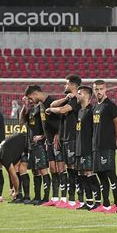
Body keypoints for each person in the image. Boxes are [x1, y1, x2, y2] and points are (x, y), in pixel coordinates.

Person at [46, 75, 81, 209]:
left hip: (73, 138)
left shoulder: (77, 99)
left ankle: (75, 199)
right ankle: (66, 198)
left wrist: (50, 110)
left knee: (73, 170)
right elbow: (53, 104)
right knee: (66, 169)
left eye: (66, 84)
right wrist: (65, 98)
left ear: (73, 85)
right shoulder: (69, 99)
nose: (64, 86)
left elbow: (61, 110)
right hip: (64, 138)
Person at [90, 80, 117, 213]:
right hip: (96, 147)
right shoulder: (95, 107)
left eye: (101, 89)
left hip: (107, 146)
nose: (98, 91)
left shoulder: (110, 106)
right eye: (96, 89)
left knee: (110, 174)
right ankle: (106, 204)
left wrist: (115, 140)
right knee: (101, 175)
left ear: (105, 90)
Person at [24, 85, 52, 205]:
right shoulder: (31, 109)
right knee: (35, 171)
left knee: (43, 170)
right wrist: (25, 106)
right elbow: (22, 121)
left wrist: (43, 137)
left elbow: (48, 125)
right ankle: (37, 197)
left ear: (35, 94)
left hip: (40, 144)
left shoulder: (42, 107)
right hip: (32, 144)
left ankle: (45, 198)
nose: (30, 101)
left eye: (30, 98)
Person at [75, 85, 100, 210]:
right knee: (82, 174)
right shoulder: (80, 111)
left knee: (90, 173)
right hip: (80, 148)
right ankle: (89, 201)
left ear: (85, 95)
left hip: (88, 148)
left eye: (79, 93)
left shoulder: (92, 111)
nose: (77, 95)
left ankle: (98, 201)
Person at [0, 132, 28, 201]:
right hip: (21, 139)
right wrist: (11, 187)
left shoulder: (3, 156)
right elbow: (10, 172)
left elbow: (13, 176)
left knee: (23, 169)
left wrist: (15, 191)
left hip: (27, 140)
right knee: (16, 169)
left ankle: (24, 196)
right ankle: (19, 196)